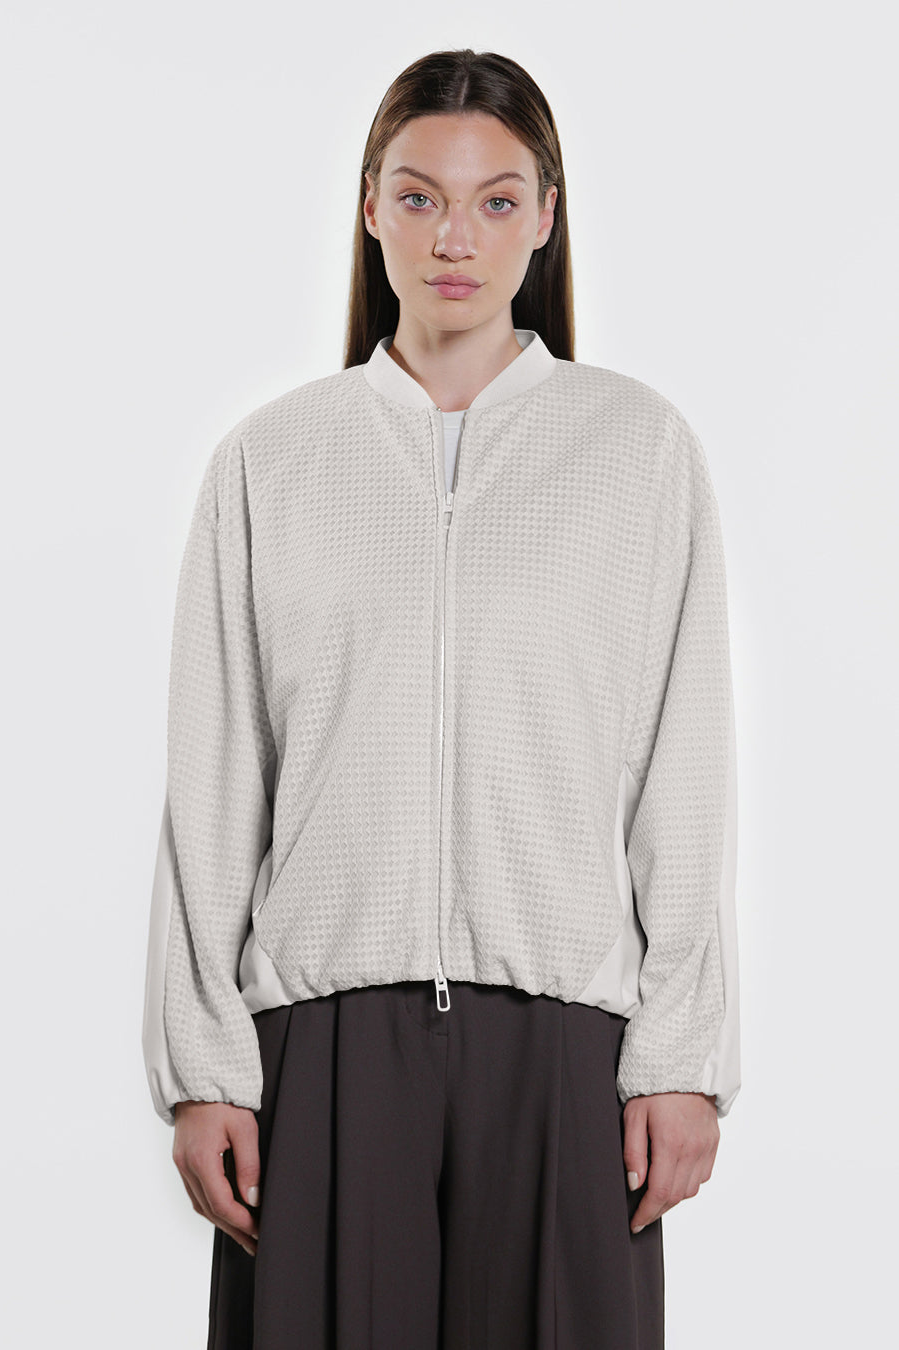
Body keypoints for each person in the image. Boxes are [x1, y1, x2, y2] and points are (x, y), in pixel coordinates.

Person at [142, 47, 740, 1350]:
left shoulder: (637, 451)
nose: (453, 237)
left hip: (566, 1047)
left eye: (494, 200)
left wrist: (682, 1056)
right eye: (418, 196)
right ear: (370, 207)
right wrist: (203, 1068)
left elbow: (682, 770)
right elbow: (215, 781)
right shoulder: (271, 463)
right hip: (324, 1041)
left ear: (546, 215)